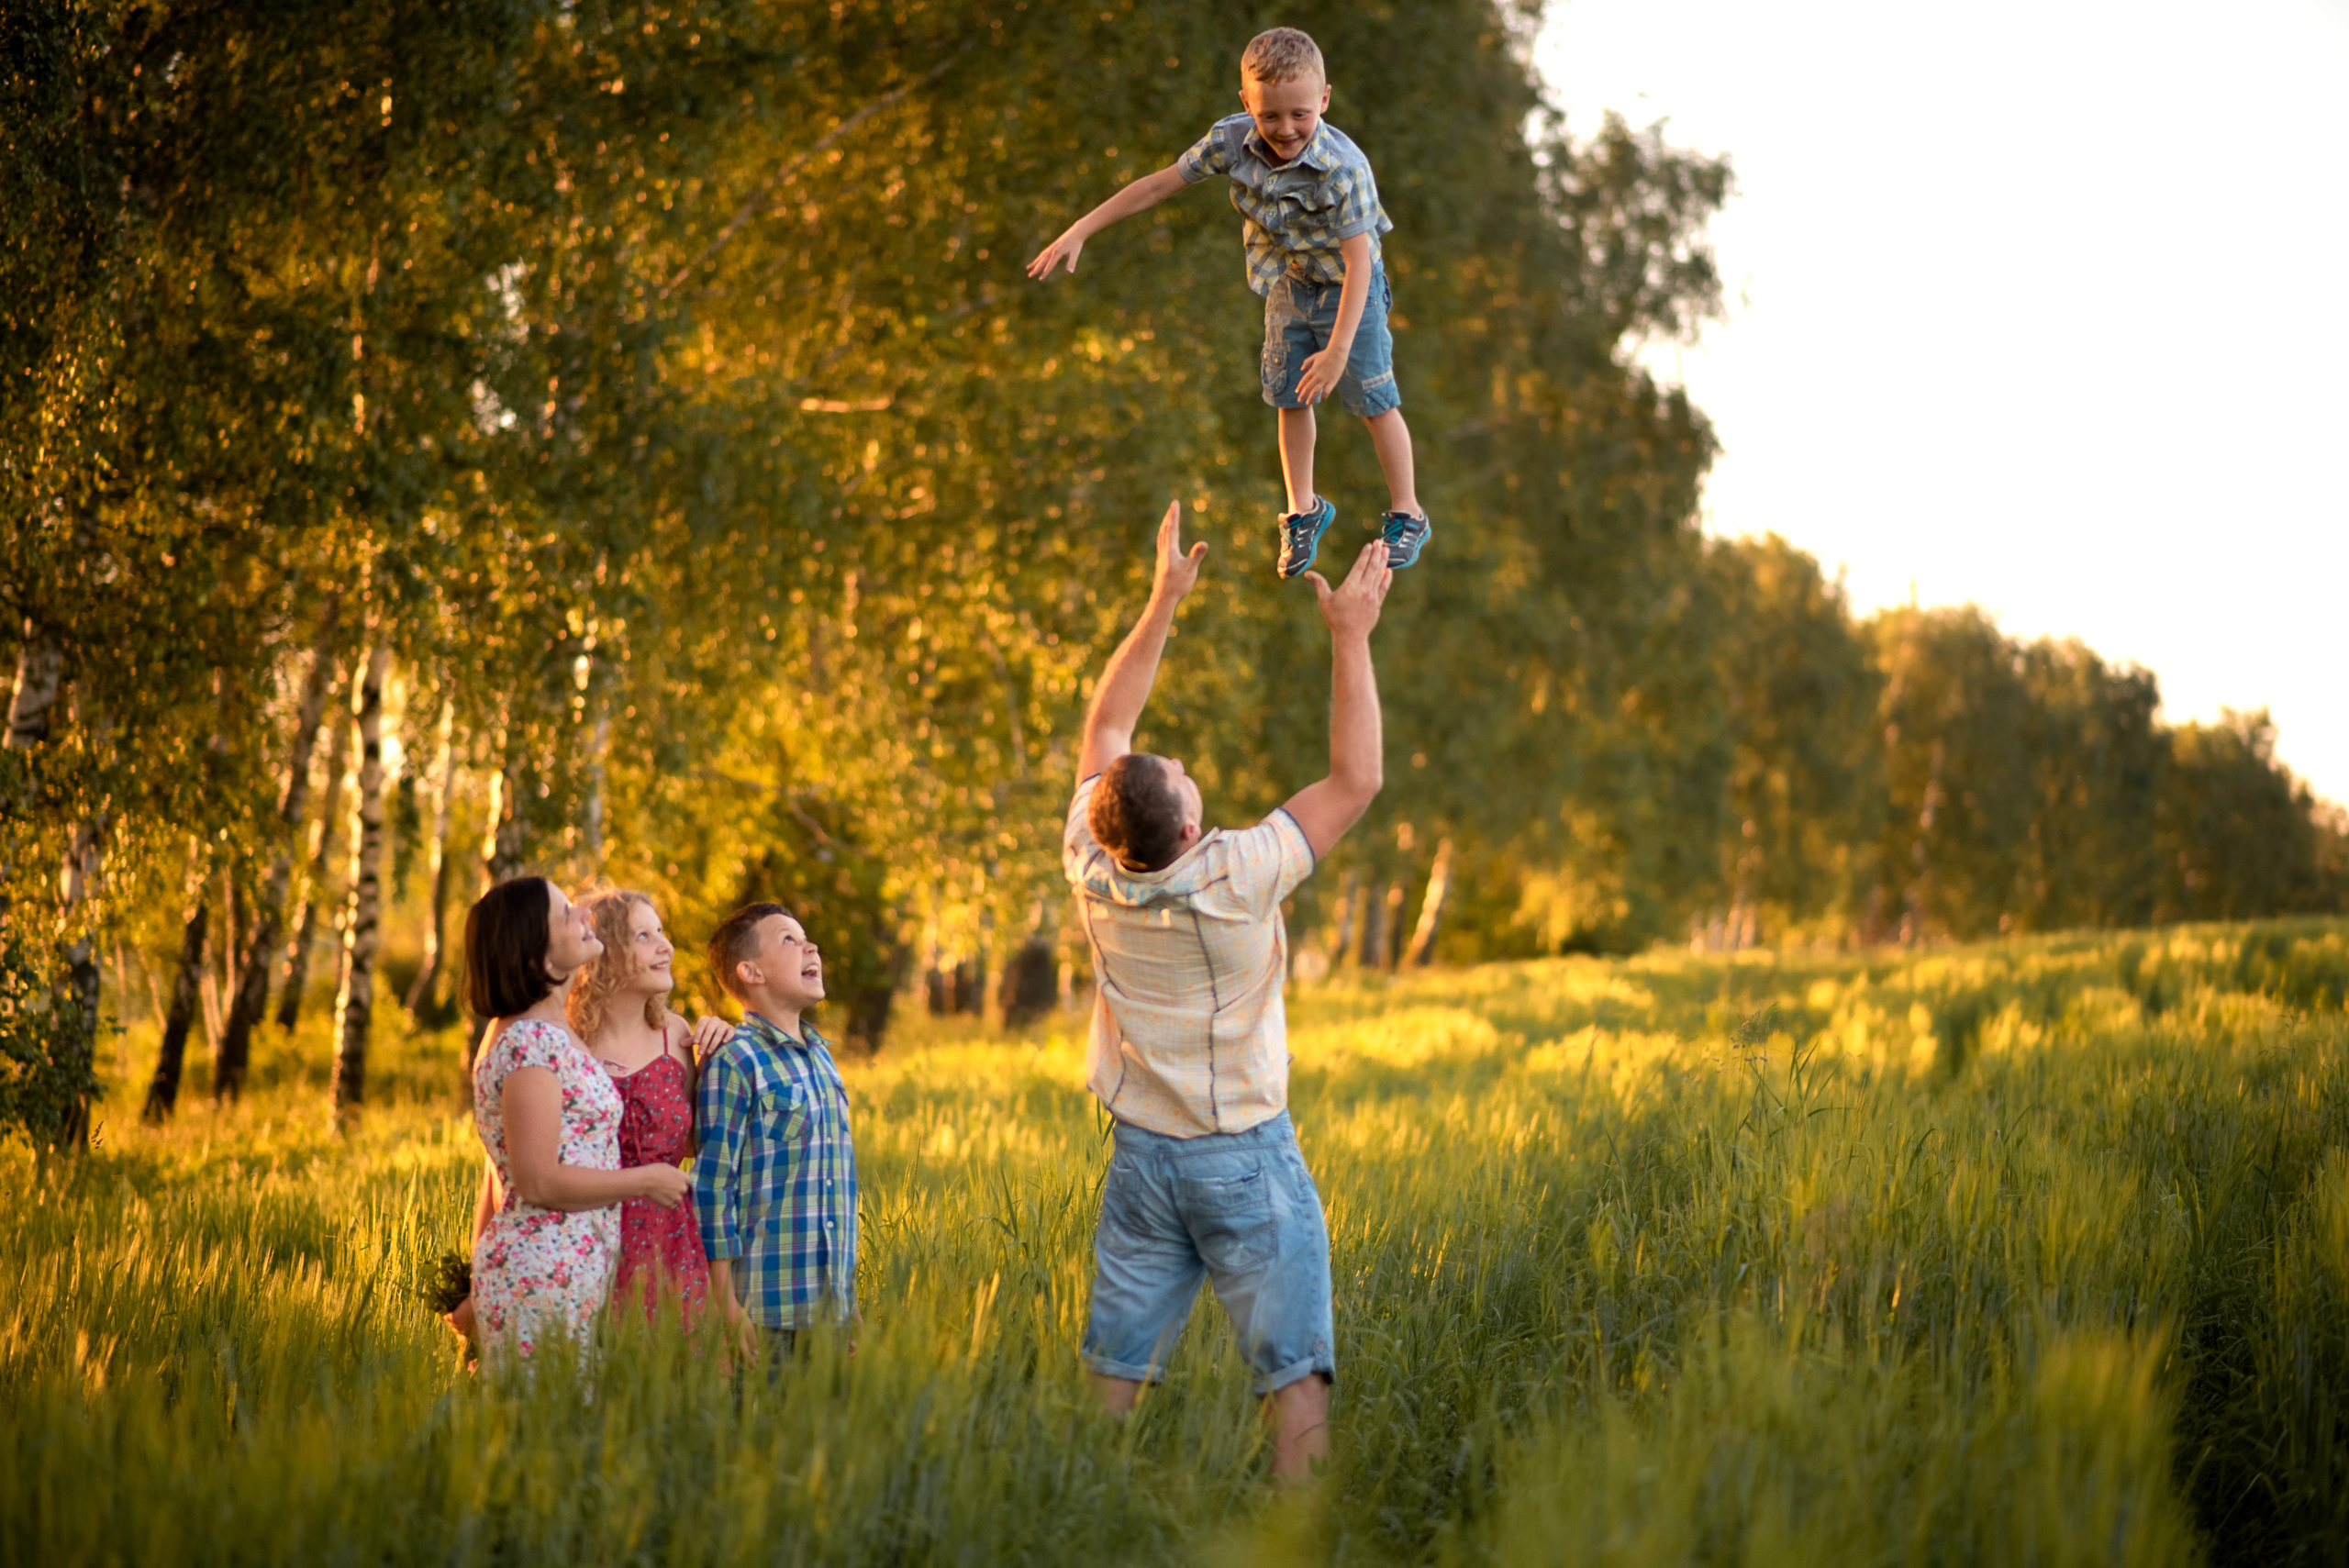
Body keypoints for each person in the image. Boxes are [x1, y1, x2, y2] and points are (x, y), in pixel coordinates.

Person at [1062, 498, 1390, 1483]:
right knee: (1293, 1368)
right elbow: (1356, 778)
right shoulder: (1240, 872)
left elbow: (1107, 717)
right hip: (1243, 1154)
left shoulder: (1089, 859)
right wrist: (1351, 636)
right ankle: (1299, 1528)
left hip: (1143, 1158)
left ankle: (1082, 1507)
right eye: (1190, 786)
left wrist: (1163, 597)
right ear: (1193, 833)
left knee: (1114, 1369)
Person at [1028, 27, 1429, 581]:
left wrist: (1338, 350)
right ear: (1246, 104)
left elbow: (1360, 263)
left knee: (1373, 399)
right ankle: (1303, 510)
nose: (1284, 129)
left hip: (1348, 288)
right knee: (1289, 394)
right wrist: (1082, 228)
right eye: (1270, 116)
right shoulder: (1228, 141)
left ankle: (1408, 511)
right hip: (1292, 280)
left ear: (1324, 102)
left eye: (1300, 115)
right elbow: (1157, 186)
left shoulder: (1345, 168)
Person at [457, 876, 693, 1373]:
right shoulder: (528, 1042)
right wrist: (647, 1180)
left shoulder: (551, 1030)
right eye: (566, 913)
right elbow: (535, 1179)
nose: (586, 916)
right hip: (540, 1273)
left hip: (572, 1272)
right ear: (537, 955)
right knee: (539, 1435)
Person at [689, 903, 860, 1378]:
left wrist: (849, 1303)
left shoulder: (823, 1059)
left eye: (808, 938)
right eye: (789, 940)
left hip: (830, 1311)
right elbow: (711, 1191)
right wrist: (725, 1308)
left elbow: (835, 1191)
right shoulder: (735, 1062)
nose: (811, 947)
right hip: (764, 1312)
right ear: (751, 971)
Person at [565, 888, 734, 1328]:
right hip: (586, 1241)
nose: (666, 946)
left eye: (661, 931)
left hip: (671, 1243)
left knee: (674, 1383)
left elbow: (703, 1147)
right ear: (603, 953)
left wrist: (718, 1060)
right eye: (644, 936)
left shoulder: (675, 1036)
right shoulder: (565, 1040)